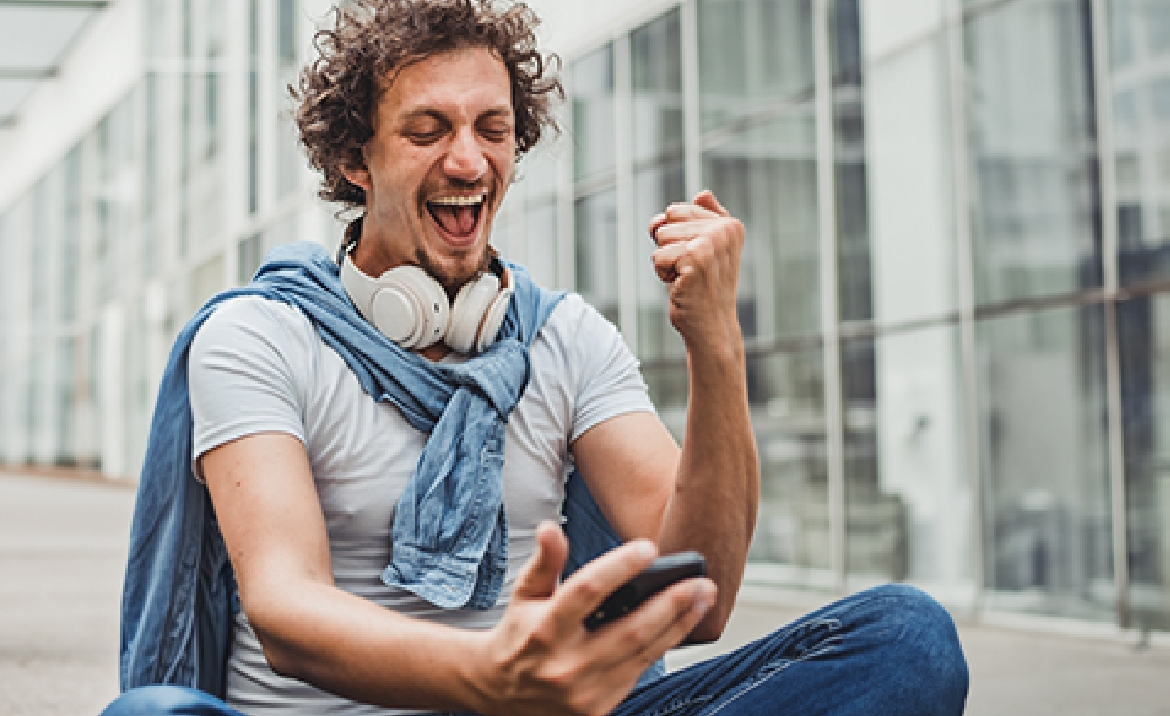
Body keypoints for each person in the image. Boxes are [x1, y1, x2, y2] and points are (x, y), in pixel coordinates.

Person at [101, 1, 969, 714]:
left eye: (493, 128)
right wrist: (489, 679)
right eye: (427, 130)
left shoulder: (563, 337)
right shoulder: (261, 334)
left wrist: (716, 345)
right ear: (350, 160)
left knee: (906, 636)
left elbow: (700, 597)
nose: (470, 159)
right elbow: (286, 610)